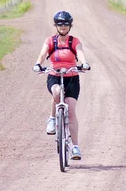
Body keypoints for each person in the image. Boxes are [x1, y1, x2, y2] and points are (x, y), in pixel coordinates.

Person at [33, 11, 90, 160]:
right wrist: (38, 64)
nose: (63, 26)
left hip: (72, 77)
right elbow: (42, 54)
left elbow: (80, 53)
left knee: (71, 112)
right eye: (60, 24)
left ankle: (75, 147)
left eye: (65, 24)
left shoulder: (74, 41)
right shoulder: (50, 41)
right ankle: (52, 118)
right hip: (54, 75)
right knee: (57, 91)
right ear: (56, 25)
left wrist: (84, 63)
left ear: (70, 26)